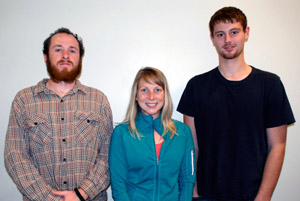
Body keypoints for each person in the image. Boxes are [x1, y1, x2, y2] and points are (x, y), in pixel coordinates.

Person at [177, 6, 295, 201]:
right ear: (212, 38)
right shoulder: (196, 86)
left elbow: (278, 145)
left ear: (246, 33)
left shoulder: (270, 84)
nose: (228, 40)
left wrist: (263, 197)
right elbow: (191, 146)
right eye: (220, 34)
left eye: (234, 32)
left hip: (252, 195)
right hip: (206, 195)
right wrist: (194, 191)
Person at [4, 28, 113, 201]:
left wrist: (80, 194)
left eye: (72, 50)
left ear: (80, 58)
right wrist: (49, 198)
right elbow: (15, 155)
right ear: (46, 57)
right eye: (58, 49)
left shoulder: (98, 101)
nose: (65, 55)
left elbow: (108, 156)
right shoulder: (23, 100)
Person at [109, 67, 195, 201]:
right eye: (144, 90)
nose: (151, 97)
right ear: (136, 96)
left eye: (157, 90)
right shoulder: (121, 134)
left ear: (164, 95)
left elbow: (187, 180)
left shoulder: (182, 133)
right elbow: (118, 186)